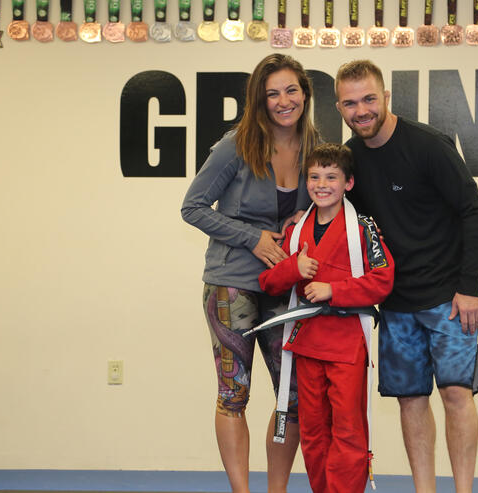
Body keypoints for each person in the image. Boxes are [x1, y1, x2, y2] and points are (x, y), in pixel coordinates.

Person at [334, 60, 478, 493]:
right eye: (350, 103)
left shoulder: (428, 145)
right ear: (339, 107)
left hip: (448, 298)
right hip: (396, 303)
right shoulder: (350, 159)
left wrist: (470, 288)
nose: (361, 110)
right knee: (410, 399)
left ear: (385, 97)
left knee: (457, 394)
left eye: (368, 99)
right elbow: (346, 218)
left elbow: (476, 214)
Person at [181, 54, 319, 493]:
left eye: (291, 90)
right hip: (231, 284)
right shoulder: (234, 146)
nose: (283, 101)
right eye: (272, 93)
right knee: (233, 394)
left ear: (305, 93)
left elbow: (330, 203)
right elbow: (193, 207)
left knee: (291, 400)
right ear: (258, 100)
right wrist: (253, 237)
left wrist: (308, 215)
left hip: (285, 287)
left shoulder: (316, 145)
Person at [259, 143, 395, 493]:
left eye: (331, 177)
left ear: (348, 183)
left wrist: (334, 290)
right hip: (306, 345)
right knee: (314, 433)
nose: (322, 184)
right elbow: (268, 282)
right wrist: (294, 267)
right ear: (306, 182)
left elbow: (383, 280)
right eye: (315, 176)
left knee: (347, 430)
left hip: (346, 345)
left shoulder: (363, 227)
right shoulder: (296, 231)